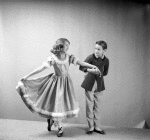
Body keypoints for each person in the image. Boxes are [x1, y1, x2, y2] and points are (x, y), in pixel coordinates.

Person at [16, 38, 99, 137]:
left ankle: (52, 119)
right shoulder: (53, 58)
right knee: (57, 104)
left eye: (68, 46)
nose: (68, 48)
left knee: (62, 104)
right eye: (66, 46)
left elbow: (81, 63)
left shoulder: (69, 57)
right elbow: (41, 68)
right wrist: (27, 76)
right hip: (56, 84)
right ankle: (60, 127)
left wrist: (92, 66)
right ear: (60, 47)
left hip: (66, 83)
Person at [79, 40, 109, 135]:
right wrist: (90, 71)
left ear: (104, 50)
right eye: (95, 48)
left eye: (99, 49)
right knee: (89, 105)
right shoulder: (90, 57)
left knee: (98, 107)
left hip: (99, 85)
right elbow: (81, 67)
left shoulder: (106, 60)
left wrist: (98, 76)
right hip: (89, 83)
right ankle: (91, 127)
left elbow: (105, 72)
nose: (96, 51)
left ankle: (97, 126)